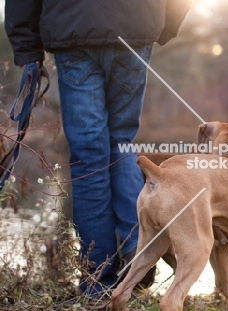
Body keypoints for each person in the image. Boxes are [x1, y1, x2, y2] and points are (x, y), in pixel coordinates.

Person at [5, 0, 192, 296]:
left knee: (89, 159)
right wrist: (162, 24)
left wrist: (27, 47)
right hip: (135, 24)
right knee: (121, 145)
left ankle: (98, 281)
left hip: (74, 31)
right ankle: (137, 256)